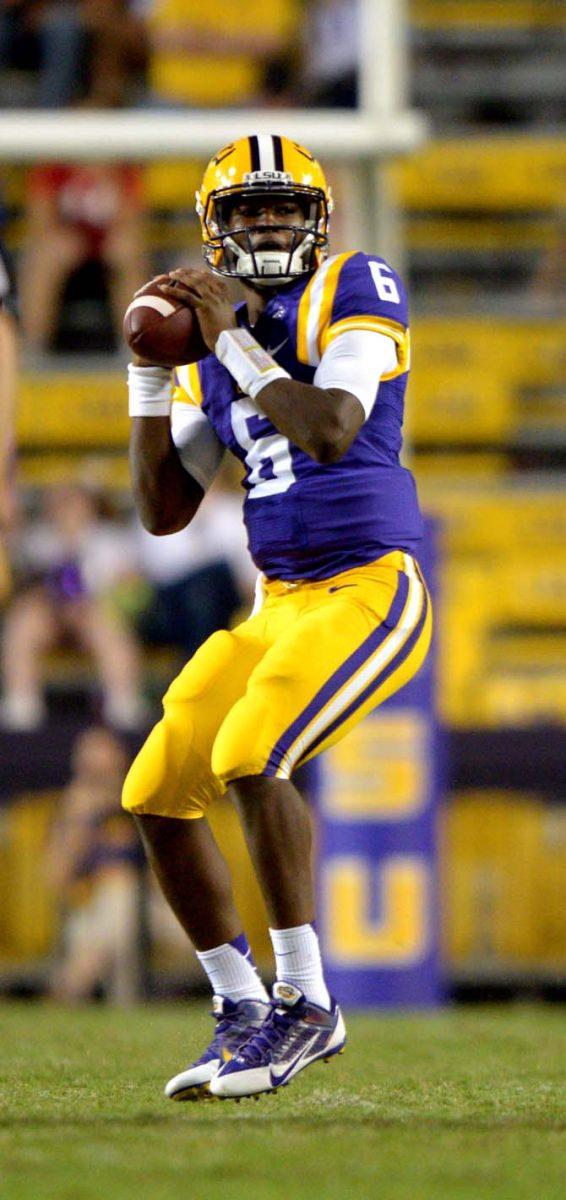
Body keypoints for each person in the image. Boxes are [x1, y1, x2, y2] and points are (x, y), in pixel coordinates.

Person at [122, 134, 432, 1101]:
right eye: (248, 209)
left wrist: (229, 342)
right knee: (157, 791)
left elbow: (331, 429)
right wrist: (145, 375)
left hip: (370, 582)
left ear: (318, 220)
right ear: (215, 228)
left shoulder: (354, 283)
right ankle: (242, 1007)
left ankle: (307, 1000)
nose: (267, 224)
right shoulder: (211, 346)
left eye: (284, 208)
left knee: (252, 751)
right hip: (279, 601)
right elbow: (164, 511)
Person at [0, 482, 147, 730]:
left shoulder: (111, 541)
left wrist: (97, 600)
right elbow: (22, 586)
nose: (67, 510)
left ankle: (123, 702)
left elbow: (133, 594)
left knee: (108, 623)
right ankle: (21, 703)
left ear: (89, 506)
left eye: (73, 503)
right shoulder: (36, 540)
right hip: (49, 617)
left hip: (94, 615)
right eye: (60, 504)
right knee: (24, 619)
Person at [45, 725, 143, 1004]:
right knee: (114, 916)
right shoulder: (73, 808)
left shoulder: (143, 802)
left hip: (158, 914)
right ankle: (126, 1005)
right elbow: (56, 879)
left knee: (123, 892)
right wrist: (80, 820)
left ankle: (70, 989)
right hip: (89, 911)